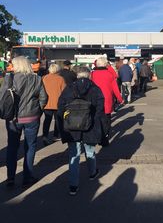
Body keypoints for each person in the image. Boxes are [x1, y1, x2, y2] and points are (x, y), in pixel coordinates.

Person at [0, 56, 47, 187]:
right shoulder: (37, 79)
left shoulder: (10, 79)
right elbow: (44, 97)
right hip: (32, 116)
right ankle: (27, 178)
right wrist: (39, 109)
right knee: (30, 147)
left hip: (13, 118)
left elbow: (2, 97)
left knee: (12, 148)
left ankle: (10, 178)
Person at [57, 66, 104, 196]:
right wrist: (93, 120)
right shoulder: (95, 89)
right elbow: (100, 108)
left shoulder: (69, 89)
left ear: (77, 76)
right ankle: (92, 173)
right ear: (89, 75)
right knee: (90, 151)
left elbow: (60, 106)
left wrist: (64, 121)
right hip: (90, 126)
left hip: (72, 127)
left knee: (74, 155)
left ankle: (73, 185)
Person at [91, 57, 124, 146]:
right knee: (106, 120)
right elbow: (115, 89)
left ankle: (97, 136)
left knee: (96, 119)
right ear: (105, 64)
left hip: (94, 101)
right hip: (107, 100)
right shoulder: (110, 74)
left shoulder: (92, 74)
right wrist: (120, 99)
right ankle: (104, 138)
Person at [42, 64, 66, 146]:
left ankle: (45, 136)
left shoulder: (44, 78)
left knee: (47, 120)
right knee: (58, 120)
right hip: (58, 103)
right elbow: (64, 91)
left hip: (47, 103)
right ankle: (55, 135)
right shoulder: (60, 79)